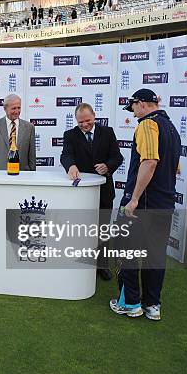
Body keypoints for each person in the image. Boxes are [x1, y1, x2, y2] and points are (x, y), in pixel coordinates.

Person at [110, 89, 181, 321]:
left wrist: (134, 199)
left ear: (141, 104)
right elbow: (175, 169)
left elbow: (150, 162)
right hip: (164, 202)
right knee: (155, 255)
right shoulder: (172, 129)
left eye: (133, 108)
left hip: (144, 204)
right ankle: (152, 305)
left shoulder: (147, 125)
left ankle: (131, 303)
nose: (133, 113)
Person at [60, 103, 123, 280]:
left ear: (94, 116)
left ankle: (101, 265)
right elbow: (65, 155)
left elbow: (117, 157)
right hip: (81, 194)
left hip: (104, 192)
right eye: (80, 122)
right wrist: (70, 165)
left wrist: (107, 166)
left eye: (87, 120)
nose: (84, 125)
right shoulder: (70, 135)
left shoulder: (107, 132)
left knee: (102, 229)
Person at [0, 94, 36, 172]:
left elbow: (32, 158)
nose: (17, 111)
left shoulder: (29, 128)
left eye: (19, 108)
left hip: (22, 176)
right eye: (13, 108)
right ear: (5, 108)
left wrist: (32, 176)